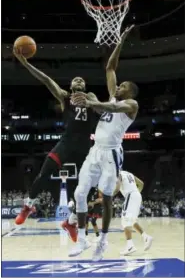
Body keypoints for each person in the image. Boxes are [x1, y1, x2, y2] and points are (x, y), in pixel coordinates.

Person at [69, 25, 138, 261]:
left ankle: (103, 241)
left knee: (107, 198)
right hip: (95, 151)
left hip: (111, 154)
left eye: (123, 86)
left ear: (130, 92)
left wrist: (93, 103)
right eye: (119, 85)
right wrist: (121, 41)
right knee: (79, 193)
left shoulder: (131, 106)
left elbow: (111, 107)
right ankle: (82, 239)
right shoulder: (113, 97)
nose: (118, 87)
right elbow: (110, 67)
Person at [13, 49, 98, 238]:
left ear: (84, 86)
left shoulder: (91, 97)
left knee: (87, 187)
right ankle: (28, 205)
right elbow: (45, 79)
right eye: (75, 80)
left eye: (81, 80)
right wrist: (26, 64)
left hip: (85, 146)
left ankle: (71, 222)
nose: (78, 80)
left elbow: (101, 107)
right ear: (70, 85)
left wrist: (91, 103)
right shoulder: (65, 97)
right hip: (67, 142)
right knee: (46, 171)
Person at [114, 170, 153, 255]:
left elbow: (117, 189)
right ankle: (146, 237)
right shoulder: (129, 174)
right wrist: (135, 193)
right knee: (132, 221)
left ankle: (130, 246)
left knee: (125, 220)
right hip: (137, 195)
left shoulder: (118, 174)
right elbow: (141, 184)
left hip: (131, 195)